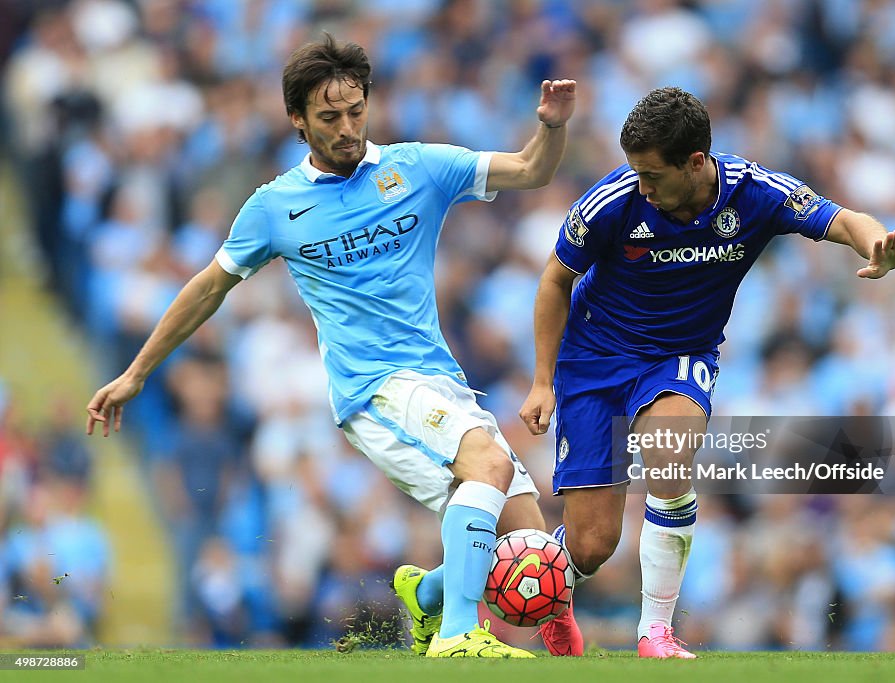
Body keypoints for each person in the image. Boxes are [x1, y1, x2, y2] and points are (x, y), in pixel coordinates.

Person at [85, 34, 582, 658]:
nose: (347, 128)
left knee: (526, 543)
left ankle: (427, 598)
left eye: (355, 111)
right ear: (298, 119)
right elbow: (208, 288)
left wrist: (551, 125)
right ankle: (457, 636)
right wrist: (136, 373)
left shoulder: (417, 167)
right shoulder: (275, 207)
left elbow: (532, 169)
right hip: (372, 390)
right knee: (487, 465)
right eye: (328, 117)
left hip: (440, 380)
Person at [519, 87, 895, 658]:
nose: (642, 187)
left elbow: (843, 219)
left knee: (670, 452)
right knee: (593, 545)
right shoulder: (611, 203)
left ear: (696, 161)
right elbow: (555, 280)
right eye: (636, 173)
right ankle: (550, 586)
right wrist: (542, 380)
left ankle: (654, 631)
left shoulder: (755, 193)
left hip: (678, 357)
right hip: (594, 359)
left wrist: (877, 243)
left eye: (653, 175)